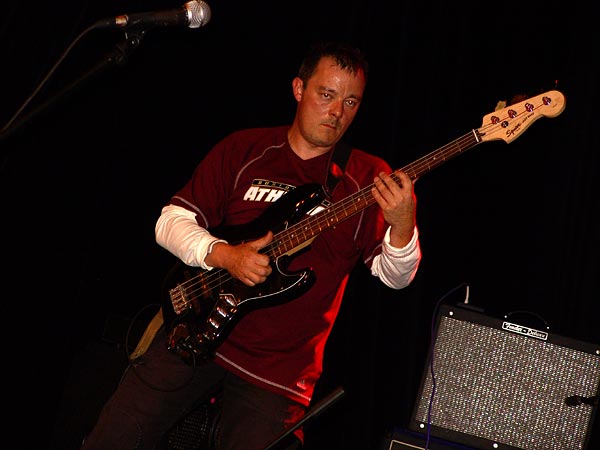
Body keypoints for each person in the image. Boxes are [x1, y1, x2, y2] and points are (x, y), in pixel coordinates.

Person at [80, 40, 422, 450]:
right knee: (114, 436)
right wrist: (226, 256)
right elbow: (169, 222)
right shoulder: (246, 148)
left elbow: (395, 277)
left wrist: (403, 224)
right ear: (298, 89)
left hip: (277, 372)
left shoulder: (367, 177)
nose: (336, 112)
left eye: (351, 102)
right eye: (326, 95)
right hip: (195, 327)